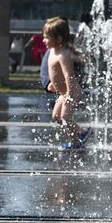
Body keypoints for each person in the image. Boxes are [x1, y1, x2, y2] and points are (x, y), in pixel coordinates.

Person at [43, 17, 88, 149]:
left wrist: (69, 93)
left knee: (65, 118)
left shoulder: (63, 55)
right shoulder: (52, 52)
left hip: (71, 92)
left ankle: (76, 143)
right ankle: (82, 131)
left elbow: (69, 75)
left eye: (47, 37)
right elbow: (55, 72)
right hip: (64, 93)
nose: (43, 40)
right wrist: (53, 82)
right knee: (56, 117)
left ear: (58, 39)